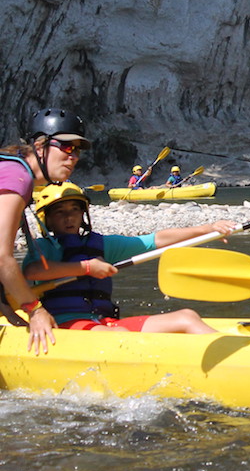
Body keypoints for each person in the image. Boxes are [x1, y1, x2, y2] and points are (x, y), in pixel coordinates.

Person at [23, 182, 237, 334]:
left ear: (83, 214)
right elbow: (33, 271)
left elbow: (155, 240)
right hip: (64, 324)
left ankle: (233, 359)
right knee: (118, 335)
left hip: (105, 321)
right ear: (47, 220)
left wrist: (206, 229)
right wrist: (87, 268)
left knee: (187, 317)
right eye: (60, 212)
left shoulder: (102, 246)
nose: (69, 217)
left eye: (75, 210)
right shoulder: (43, 248)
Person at [0, 108, 90, 354]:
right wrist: (35, 310)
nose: (74, 157)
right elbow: (1, 256)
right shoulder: (16, 177)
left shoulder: (11, 172)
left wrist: (7, 309)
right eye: (66, 147)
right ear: (40, 147)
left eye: (78, 150)